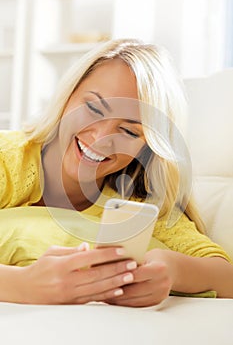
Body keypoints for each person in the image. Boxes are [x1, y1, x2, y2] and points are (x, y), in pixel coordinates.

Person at [0, 38, 232, 306]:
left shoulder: (137, 200)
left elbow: (226, 277)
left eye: (129, 131)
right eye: (93, 108)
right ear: (68, 96)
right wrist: (24, 286)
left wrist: (172, 270)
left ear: (146, 147)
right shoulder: (8, 160)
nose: (101, 137)